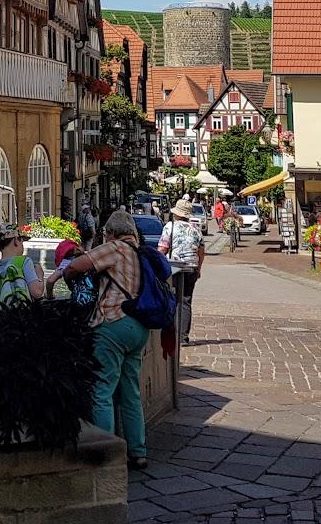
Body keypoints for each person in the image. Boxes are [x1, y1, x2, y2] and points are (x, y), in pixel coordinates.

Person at [48, 209, 150, 470]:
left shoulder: (115, 248)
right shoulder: (140, 252)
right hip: (138, 327)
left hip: (113, 324)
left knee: (102, 390)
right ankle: (137, 451)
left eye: (105, 234)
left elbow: (77, 265)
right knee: (130, 392)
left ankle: (106, 454)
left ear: (111, 233)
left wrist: (63, 276)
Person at [159, 197, 205, 346]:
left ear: (177, 214)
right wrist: (198, 269)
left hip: (174, 267)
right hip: (191, 267)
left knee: (171, 298)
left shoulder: (170, 226)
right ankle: (183, 337)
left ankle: (171, 333)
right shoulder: (195, 229)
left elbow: (163, 248)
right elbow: (201, 251)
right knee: (186, 301)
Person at [44, 238, 97, 309]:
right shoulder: (88, 258)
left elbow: (50, 281)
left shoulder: (65, 263)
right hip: (97, 296)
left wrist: (49, 296)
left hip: (81, 299)